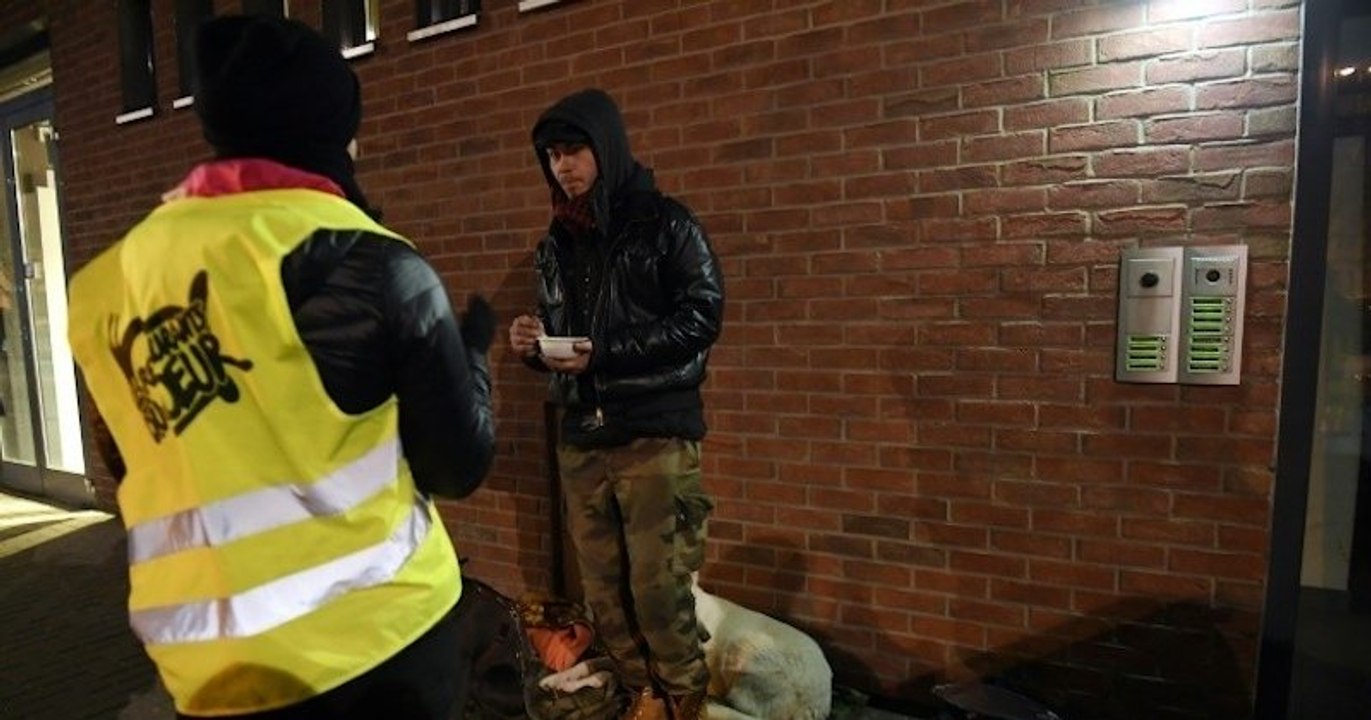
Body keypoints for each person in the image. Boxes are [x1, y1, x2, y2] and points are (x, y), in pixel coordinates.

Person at [66, 16, 495, 720]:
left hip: (213, 669)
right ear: (330, 133)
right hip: (381, 647)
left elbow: (129, 457)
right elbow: (457, 465)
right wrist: (472, 356)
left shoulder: (106, 285)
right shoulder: (372, 261)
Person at [507, 88, 725, 720]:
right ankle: (642, 695)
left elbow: (703, 315)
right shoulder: (556, 243)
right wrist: (530, 344)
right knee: (602, 590)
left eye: (573, 151)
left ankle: (685, 699)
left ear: (606, 147)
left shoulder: (665, 223)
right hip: (582, 434)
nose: (562, 167)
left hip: (653, 431)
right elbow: (566, 336)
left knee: (658, 590)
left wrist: (603, 351)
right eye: (550, 156)